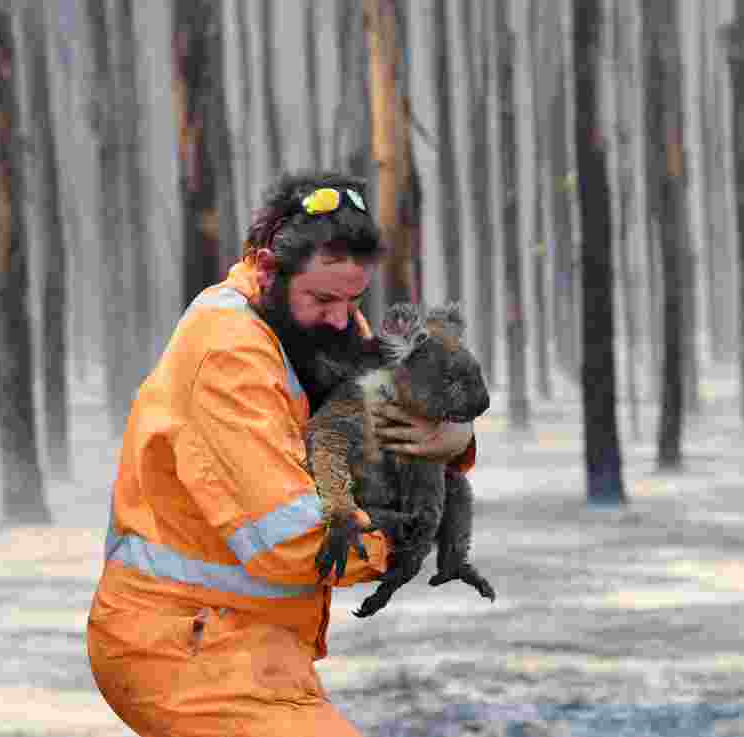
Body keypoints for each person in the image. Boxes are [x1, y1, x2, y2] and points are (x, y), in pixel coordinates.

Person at [86, 170, 477, 736]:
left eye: (354, 299)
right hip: (180, 649)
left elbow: (398, 418)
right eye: (323, 298)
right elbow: (292, 543)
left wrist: (456, 442)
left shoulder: (315, 323)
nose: (345, 318)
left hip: (253, 646)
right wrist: (412, 535)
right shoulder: (229, 356)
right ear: (269, 268)